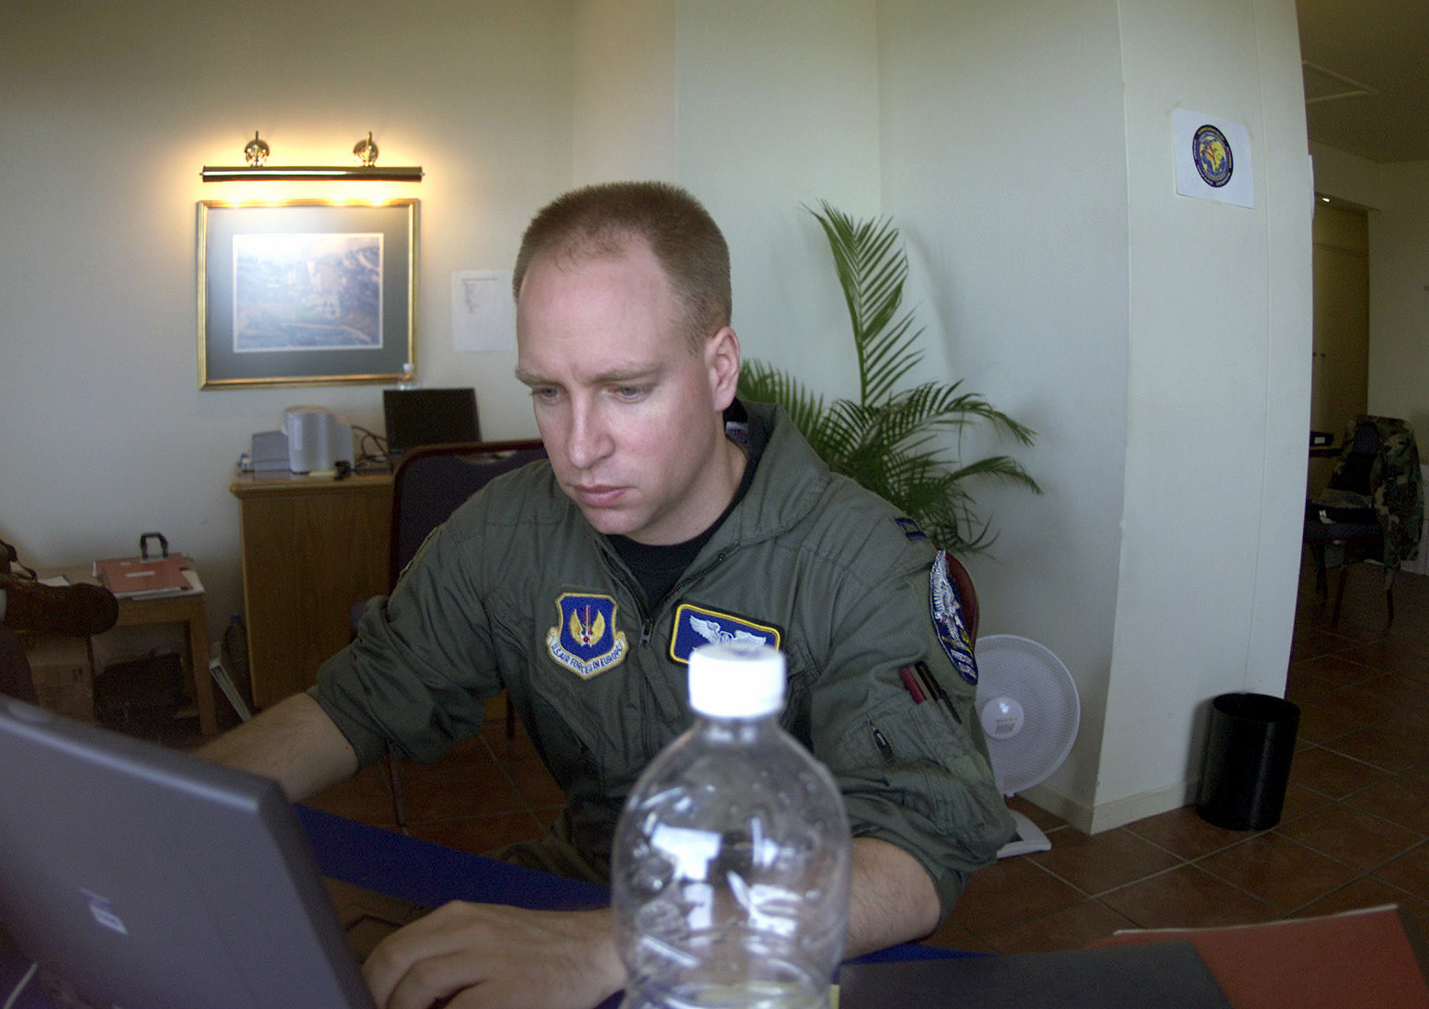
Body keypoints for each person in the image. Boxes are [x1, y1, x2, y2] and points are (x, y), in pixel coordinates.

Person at [201, 181, 1014, 1009]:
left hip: (787, 950)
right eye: (548, 392)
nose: (578, 449)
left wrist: (623, 943)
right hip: (580, 889)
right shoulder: (504, 533)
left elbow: (915, 859)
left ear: (719, 366)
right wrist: (161, 809)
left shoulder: (861, 560)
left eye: (626, 389)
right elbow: (360, 701)